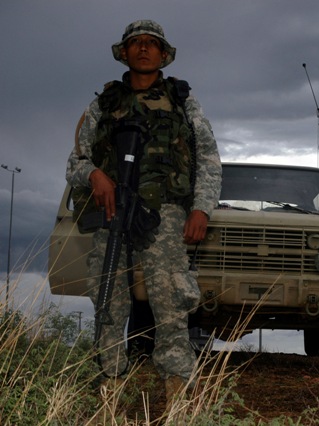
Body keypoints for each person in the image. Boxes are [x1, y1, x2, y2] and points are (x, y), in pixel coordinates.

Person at [66, 20, 222, 400]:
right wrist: (96, 176)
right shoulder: (103, 103)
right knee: (108, 304)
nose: (143, 49)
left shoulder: (184, 102)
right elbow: (76, 162)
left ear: (163, 54)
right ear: (125, 51)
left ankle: (178, 396)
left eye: (152, 44)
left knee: (170, 305)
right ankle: (110, 390)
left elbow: (209, 159)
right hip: (110, 214)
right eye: (135, 43)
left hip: (165, 217)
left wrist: (201, 209)